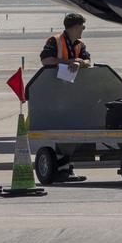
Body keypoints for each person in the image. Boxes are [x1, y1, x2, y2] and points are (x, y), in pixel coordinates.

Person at [38, 12, 92, 182]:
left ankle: (66, 168)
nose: (83, 30)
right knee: (64, 131)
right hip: (56, 92)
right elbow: (46, 60)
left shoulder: (79, 44)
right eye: (82, 26)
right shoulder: (54, 41)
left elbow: (88, 60)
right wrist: (67, 62)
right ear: (75, 27)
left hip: (73, 93)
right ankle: (63, 169)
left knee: (70, 132)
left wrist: (80, 62)